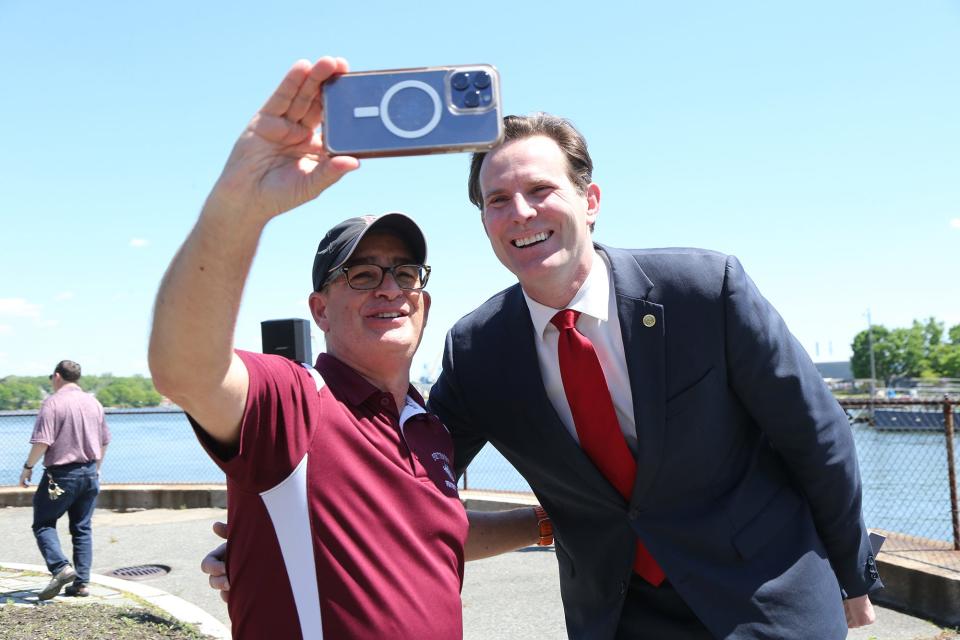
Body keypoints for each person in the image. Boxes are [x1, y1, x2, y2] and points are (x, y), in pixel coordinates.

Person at [425, 113, 883, 639]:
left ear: (590, 201)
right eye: (497, 200)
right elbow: (411, 480)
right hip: (618, 616)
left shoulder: (706, 291)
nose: (520, 213)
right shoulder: (477, 348)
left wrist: (851, 574)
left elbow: (816, 435)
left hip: (763, 596)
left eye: (539, 189)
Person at [148, 57, 544, 640]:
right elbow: (186, 369)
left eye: (405, 274)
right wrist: (242, 202)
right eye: (361, 275)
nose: (389, 288)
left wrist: (542, 523)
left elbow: (432, 529)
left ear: (425, 305)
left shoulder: (428, 424)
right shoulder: (293, 404)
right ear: (320, 310)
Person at [20, 359, 110, 600]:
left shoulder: (52, 403)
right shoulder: (94, 403)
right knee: (82, 529)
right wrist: (97, 469)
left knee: (43, 523)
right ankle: (81, 584)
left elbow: (43, 441)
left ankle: (60, 567)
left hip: (61, 475)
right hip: (90, 472)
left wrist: (28, 467)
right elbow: (104, 441)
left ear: (57, 376)